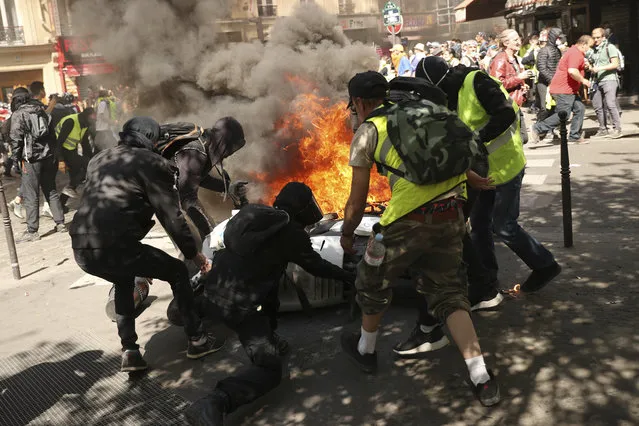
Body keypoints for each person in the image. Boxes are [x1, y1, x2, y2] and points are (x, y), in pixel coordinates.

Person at [338, 71, 500, 407]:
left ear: (356, 102)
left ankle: (366, 350)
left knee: (370, 280)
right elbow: (447, 157)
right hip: (450, 213)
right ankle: (481, 376)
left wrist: (348, 232)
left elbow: (355, 202)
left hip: (405, 221)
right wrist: (474, 179)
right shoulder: (421, 111)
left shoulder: (369, 130)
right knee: (450, 292)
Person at [184, 182, 355, 425]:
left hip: (212, 291)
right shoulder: (290, 233)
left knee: (268, 286)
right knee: (270, 371)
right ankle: (215, 402)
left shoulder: (251, 214)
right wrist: (350, 277)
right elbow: (316, 266)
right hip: (242, 307)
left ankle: (192, 314)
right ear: (303, 209)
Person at [71, 116, 222, 373]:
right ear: (150, 139)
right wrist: (194, 254)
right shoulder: (151, 163)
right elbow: (171, 216)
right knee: (176, 272)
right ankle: (197, 340)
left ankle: (130, 352)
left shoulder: (99, 158)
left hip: (81, 246)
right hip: (116, 245)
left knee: (123, 280)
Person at [419, 57, 561, 293]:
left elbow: (505, 114)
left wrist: (475, 140)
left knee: (503, 226)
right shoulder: (447, 96)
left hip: (506, 166)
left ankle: (545, 265)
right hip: (480, 171)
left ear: (440, 82)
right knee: (479, 225)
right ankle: (486, 282)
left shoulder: (476, 81)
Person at [158, 117, 247, 243]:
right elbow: (187, 199)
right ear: (223, 140)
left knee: (207, 237)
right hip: (165, 197)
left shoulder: (205, 145)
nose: (230, 153)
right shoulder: (195, 151)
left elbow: (199, 178)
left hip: (172, 194)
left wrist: (227, 186)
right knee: (195, 245)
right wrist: (212, 235)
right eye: (231, 147)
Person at [9, 87, 66, 242]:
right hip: (48, 157)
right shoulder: (42, 110)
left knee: (31, 195)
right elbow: (52, 135)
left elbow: (16, 140)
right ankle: (60, 223)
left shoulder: (18, 114)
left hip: (30, 160)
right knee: (51, 190)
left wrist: (15, 161)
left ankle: (32, 231)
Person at [531, 35, 594, 144]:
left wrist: (585, 66)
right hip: (564, 89)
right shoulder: (575, 53)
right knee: (563, 115)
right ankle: (538, 128)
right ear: (583, 44)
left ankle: (574, 136)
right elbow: (572, 71)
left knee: (579, 108)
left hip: (568, 89)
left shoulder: (574, 52)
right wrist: (583, 81)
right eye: (590, 46)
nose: (590, 49)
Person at [490, 29, 533, 144]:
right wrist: (519, 78)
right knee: (517, 140)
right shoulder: (500, 60)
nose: (519, 42)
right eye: (515, 40)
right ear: (506, 43)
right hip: (507, 105)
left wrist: (522, 85)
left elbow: (512, 79)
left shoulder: (513, 58)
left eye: (519, 39)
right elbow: (498, 84)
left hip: (515, 104)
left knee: (522, 138)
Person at [587, 27, 623, 139]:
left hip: (609, 79)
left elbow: (615, 64)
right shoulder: (593, 49)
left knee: (610, 104)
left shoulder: (609, 47)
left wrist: (600, 68)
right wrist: (589, 66)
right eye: (594, 38)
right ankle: (603, 129)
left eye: (598, 37)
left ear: (603, 37)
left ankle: (617, 129)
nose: (596, 39)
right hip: (596, 80)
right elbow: (591, 62)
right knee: (598, 106)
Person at [55, 107, 96, 204]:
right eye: (92, 119)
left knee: (77, 175)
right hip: (58, 149)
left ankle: (62, 202)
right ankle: (68, 189)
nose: (93, 122)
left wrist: (92, 159)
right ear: (85, 117)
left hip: (70, 150)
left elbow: (85, 143)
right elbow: (59, 142)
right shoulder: (71, 122)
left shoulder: (85, 124)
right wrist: (61, 160)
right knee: (84, 165)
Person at [536, 28, 563, 126]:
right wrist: (551, 79)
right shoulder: (544, 50)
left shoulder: (557, 50)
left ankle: (550, 129)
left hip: (555, 82)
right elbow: (541, 67)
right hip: (544, 82)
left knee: (557, 107)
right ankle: (538, 127)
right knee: (545, 108)